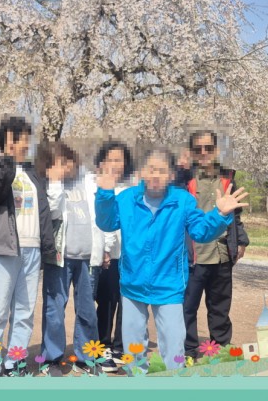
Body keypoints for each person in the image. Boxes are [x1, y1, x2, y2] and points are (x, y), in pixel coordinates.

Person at [94, 146, 248, 371]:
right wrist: (105, 194)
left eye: (162, 170)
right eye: (151, 169)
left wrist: (220, 214)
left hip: (169, 285)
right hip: (132, 283)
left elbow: (201, 232)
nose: (156, 175)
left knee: (174, 345)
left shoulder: (182, 201)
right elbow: (107, 223)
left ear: (171, 175)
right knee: (133, 349)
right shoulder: (127, 198)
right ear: (142, 172)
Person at [0, 116, 54, 376]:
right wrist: (8, 160)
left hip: (32, 250)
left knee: (24, 311)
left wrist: (47, 248)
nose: (25, 143)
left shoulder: (34, 173)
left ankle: (15, 362)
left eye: (25, 138)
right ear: (6, 141)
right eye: (19, 138)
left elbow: (44, 212)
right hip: (1, 250)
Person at [39, 141, 119, 376]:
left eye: (67, 161)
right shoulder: (50, 184)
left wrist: (106, 248)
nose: (65, 167)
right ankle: (51, 359)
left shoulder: (89, 180)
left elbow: (103, 215)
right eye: (59, 163)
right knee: (54, 309)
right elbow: (53, 211)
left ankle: (85, 358)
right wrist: (55, 181)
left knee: (87, 311)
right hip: (60, 258)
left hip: (88, 258)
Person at [180, 130, 250, 360]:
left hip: (221, 253)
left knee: (220, 307)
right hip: (193, 255)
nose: (204, 153)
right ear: (192, 152)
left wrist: (241, 240)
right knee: (187, 307)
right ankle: (188, 351)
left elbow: (235, 214)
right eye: (198, 149)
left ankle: (220, 350)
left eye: (208, 148)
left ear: (216, 150)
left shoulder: (227, 178)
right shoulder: (184, 180)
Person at [90, 140, 135, 364]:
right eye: (111, 159)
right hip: (109, 256)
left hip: (130, 256)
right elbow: (98, 220)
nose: (115, 164)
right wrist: (105, 250)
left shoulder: (132, 189)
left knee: (127, 302)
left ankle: (120, 346)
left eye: (120, 160)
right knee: (107, 302)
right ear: (102, 162)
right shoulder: (96, 185)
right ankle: (103, 345)